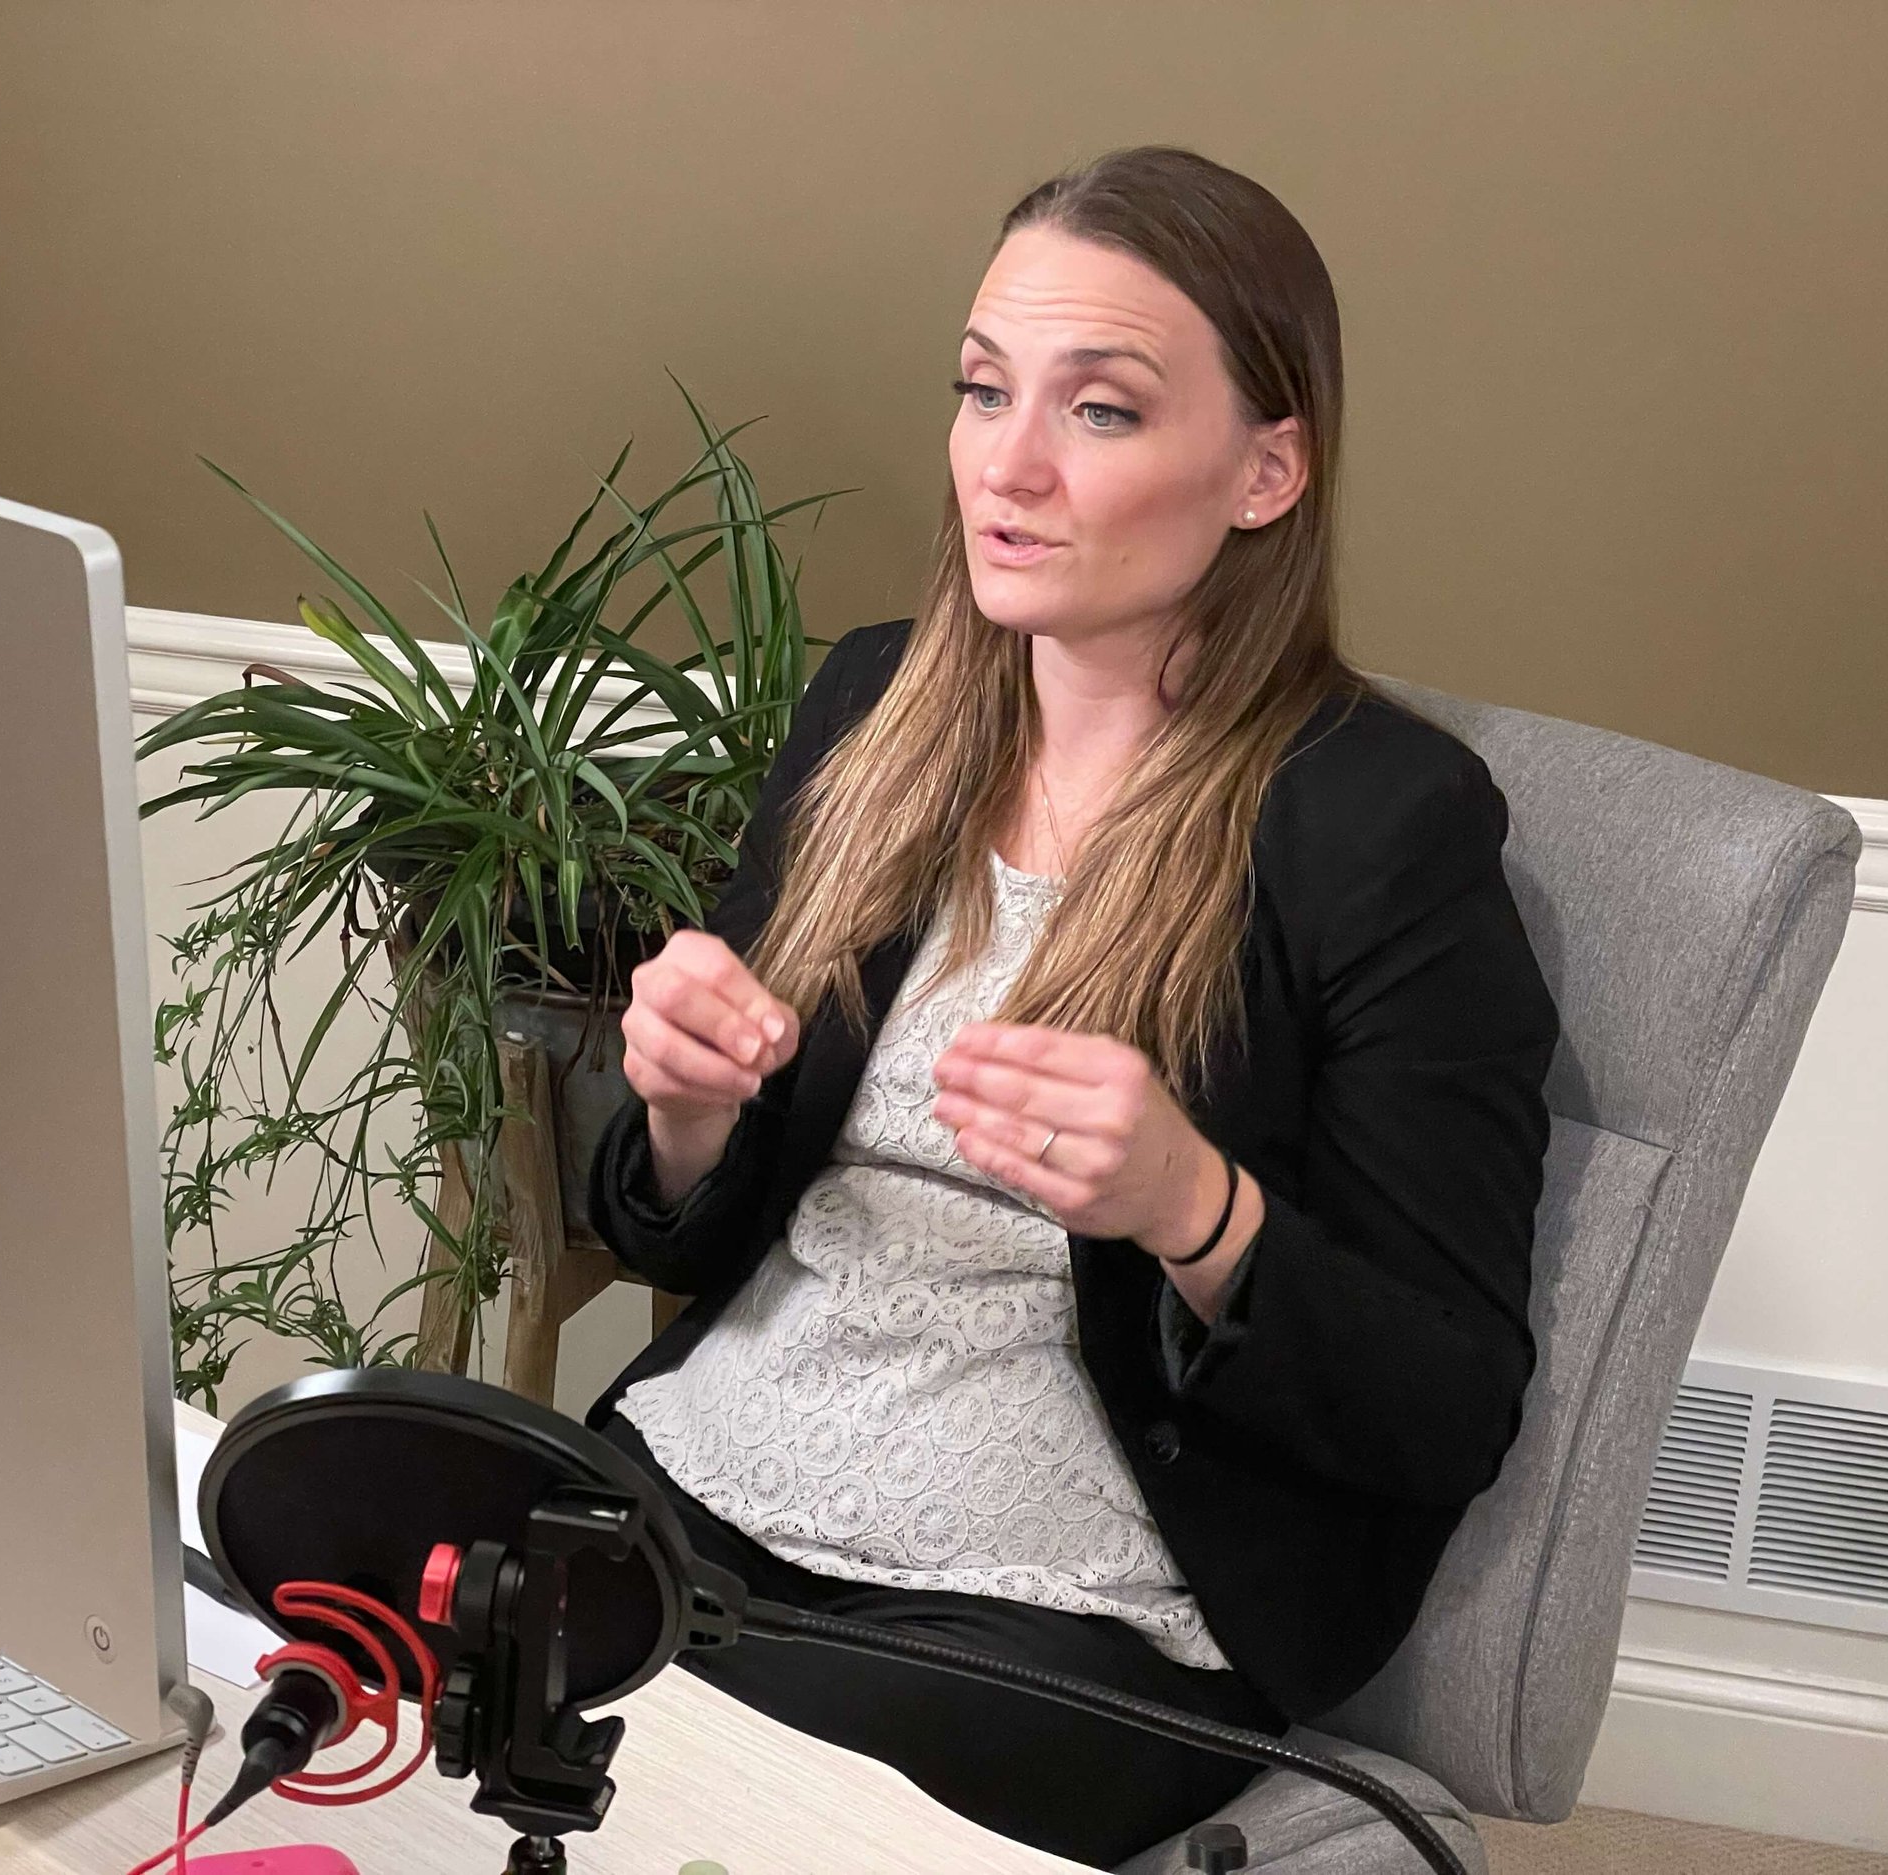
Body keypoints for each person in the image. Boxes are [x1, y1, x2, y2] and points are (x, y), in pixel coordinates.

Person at [584, 145, 1559, 1869]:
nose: (1006, 467)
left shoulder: (1383, 829)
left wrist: (1198, 1209)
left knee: (703, 1794)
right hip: (708, 1489)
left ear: (1265, 473)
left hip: (1066, 1617)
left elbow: (1445, 1399)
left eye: (1099, 412)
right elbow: (682, 1232)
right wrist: (683, 1109)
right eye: (982, 391)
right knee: (355, 1583)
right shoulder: (877, 704)